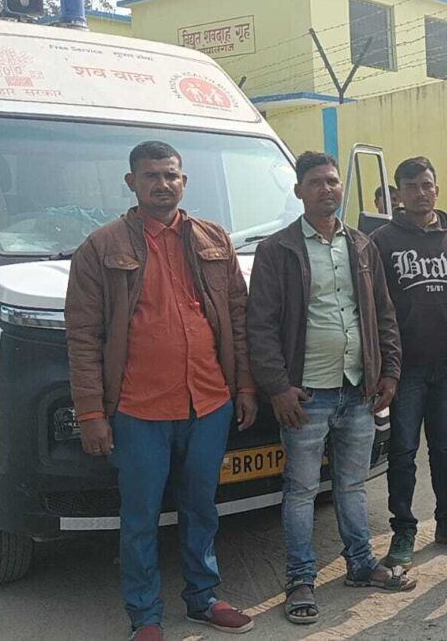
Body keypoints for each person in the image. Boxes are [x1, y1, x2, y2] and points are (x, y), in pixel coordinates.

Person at [65, 141, 259, 640]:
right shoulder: (100, 248)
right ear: (131, 183)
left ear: (183, 181)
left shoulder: (214, 239)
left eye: (170, 175)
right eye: (150, 175)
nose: (162, 183)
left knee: (202, 507)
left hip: (209, 402)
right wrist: (91, 412)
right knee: (140, 517)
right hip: (138, 410)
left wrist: (244, 385)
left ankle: (203, 597)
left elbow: (238, 319)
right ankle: (145, 616)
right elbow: (82, 336)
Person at [247, 152, 412, 626]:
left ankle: (360, 564)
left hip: (358, 389)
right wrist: (278, 387)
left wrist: (389, 372)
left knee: (352, 484)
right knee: (301, 489)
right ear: (298, 191)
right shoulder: (278, 250)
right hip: (306, 395)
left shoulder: (361, 245)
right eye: (316, 182)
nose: (327, 189)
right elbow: (260, 326)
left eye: (333, 182)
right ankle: (301, 578)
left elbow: (382, 313)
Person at [371, 157, 447, 568]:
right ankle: (403, 530)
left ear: (437, 189)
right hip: (405, 369)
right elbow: (377, 308)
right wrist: (386, 367)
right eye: (411, 186)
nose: (421, 192)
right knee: (403, 451)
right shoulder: (382, 241)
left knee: (445, 447)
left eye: (427, 184)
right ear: (398, 193)